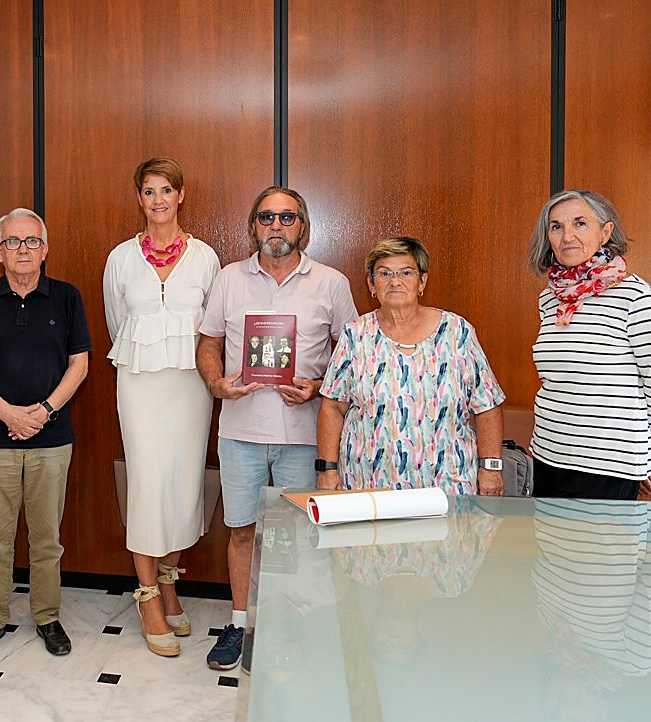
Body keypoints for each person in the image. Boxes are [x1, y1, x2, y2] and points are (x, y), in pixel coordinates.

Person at [197, 186, 357, 670]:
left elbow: (352, 356)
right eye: (266, 217)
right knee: (242, 532)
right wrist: (216, 384)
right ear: (253, 226)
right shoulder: (228, 278)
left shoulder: (331, 283)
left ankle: (289, 623)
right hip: (241, 431)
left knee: (296, 536)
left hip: (304, 435)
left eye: (287, 218)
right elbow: (208, 343)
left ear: (302, 227)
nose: (276, 226)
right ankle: (240, 625)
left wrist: (317, 388)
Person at [0, 208, 91, 658]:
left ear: (45, 249)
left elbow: (80, 364)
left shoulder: (67, 297)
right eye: (13, 242)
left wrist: (45, 411)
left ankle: (47, 617)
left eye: (31, 241)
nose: (23, 250)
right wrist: (9, 414)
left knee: (46, 537)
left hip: (52, 439)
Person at [103, 156, 219, 657]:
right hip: (139, 384)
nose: (158, 200)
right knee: (148, 484)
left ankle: (170, 580)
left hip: (191, 387)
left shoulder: (206, 258)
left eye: (165, 190)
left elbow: (214, 330)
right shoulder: (120, 259)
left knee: (182, 482)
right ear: (139, 198)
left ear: (181, 194)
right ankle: (148, 595)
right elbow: (115, 322)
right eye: (148, 192)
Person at [315, 237, 506, 496]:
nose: (395, 281)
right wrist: (327, 471)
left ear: (422, 282)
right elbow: (333, 408)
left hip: (448, 485)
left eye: (406, 272)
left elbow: (487, 406)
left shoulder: (457, 331)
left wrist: (491, 469)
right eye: (384, 273)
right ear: (371, 284)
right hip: (368, 484)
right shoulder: (355, 335)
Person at [526, 189, 651, 500]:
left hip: (608, 463)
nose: (567, 235)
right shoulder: (549, 298)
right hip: (548, 453)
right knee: (550, 549)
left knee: (599, 550)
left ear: (605, 232)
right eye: (556, 226)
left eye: (580, 223)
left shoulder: (634, 297)